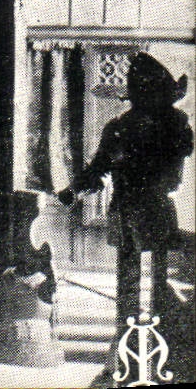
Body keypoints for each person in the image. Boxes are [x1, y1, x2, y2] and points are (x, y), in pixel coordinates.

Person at [58, 52, 193, 324]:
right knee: (151, 281)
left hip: (135, 207)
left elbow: (98, 170)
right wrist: (74, 190)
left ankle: (133, 341)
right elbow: (100, 169)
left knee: (137, 283)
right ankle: (141, 343)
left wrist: (73, 191)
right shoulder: (171, 125)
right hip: (144, 207)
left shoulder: (129, 127)